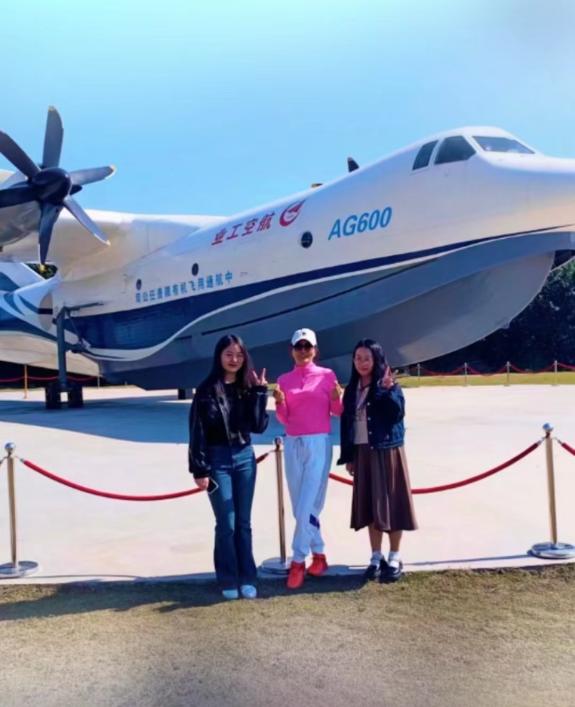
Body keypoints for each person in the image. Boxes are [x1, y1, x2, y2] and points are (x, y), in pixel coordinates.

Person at [188, 334, 269, 600]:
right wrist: (199, 469)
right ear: (219, 356)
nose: (234, 359)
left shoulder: (249, 387)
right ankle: (227, 577)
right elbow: (197, 431)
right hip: (217, 460)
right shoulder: (206, 390)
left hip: (245, 457)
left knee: (243, 522)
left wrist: (260, 394)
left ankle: (248, 576)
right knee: (227, 523)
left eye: (239, 355)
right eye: (229, 354)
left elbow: (258, 426)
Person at [338, 339, 417, 583]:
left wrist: (386, 391)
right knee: (371, 506)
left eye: (367, 358)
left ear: (376, 360)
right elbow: (346, 424)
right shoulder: (352, 389)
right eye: (358, 358)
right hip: (362, 452)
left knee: (391, 505)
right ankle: (375, 555)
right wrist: (349, 455)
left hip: (386, 450)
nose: (362, 363)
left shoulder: (388, 384)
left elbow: (397, 414)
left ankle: (394, 556)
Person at [274, 328, 343, 589]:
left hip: (318, 442)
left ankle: (298, 560)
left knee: (307, 505)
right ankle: (320, 555)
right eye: (298, 346)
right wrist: (279, 403)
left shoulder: (327, 375)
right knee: (299, 507)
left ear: (315, 350)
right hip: (293, 442)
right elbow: (284, 417)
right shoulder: (284, 380)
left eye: (307, 346)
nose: (303, 351)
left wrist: (336, 398)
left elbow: (337, 411)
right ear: (292, 350)